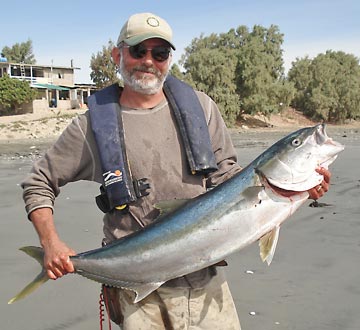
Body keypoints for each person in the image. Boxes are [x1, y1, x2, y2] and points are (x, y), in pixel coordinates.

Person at [21, 12, 331, 330]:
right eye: (138, 51)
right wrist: (51, 244)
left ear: (169, 59)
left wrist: (303, 187)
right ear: (117, 55)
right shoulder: (90, 127)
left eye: (159, 53)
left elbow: (228, 177)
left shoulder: (201, 108)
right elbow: (38, 182)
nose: (148, 61)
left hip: (205, 282)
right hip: (136, 289)